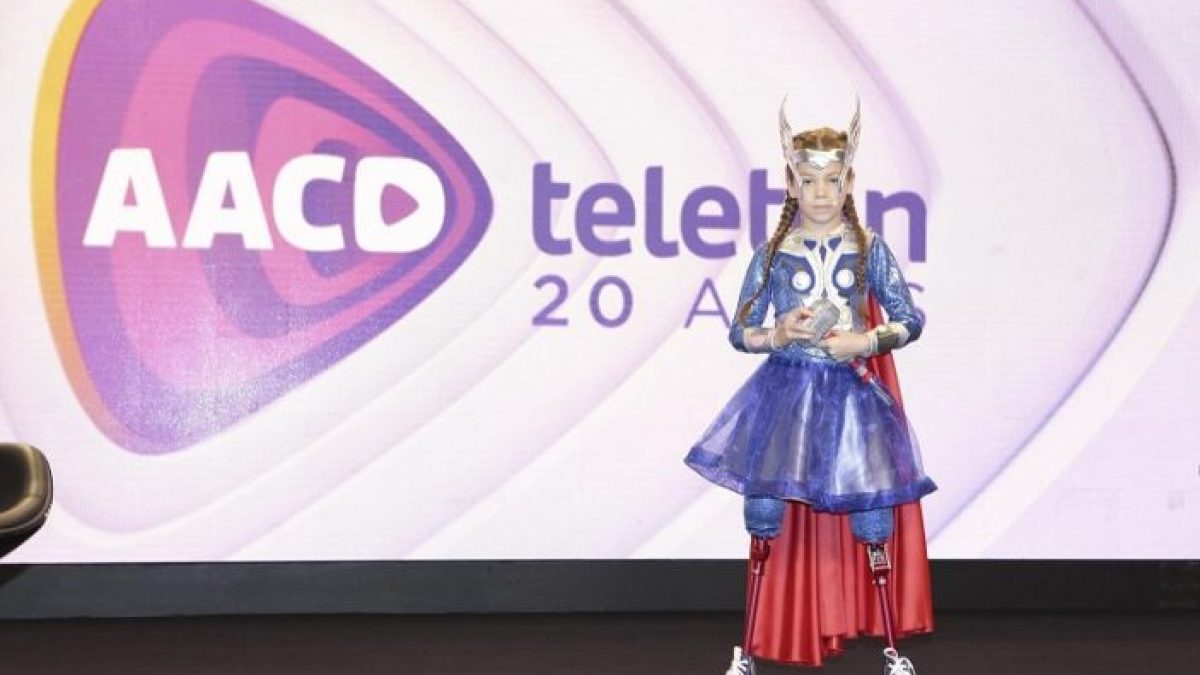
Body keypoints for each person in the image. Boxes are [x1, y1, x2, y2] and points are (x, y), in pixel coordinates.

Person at [684, 99, 935, 674]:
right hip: (786, 396)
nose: (821, 192)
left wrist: (865, 341)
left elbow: (909, 318)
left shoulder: (869, 248)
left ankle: (892, 650)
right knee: (765, 512)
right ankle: (749, 651)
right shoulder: (773, 254)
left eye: (832, 180)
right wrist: (777, 333)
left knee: (871, 516)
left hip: (852, 397)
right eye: (809, 180)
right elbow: (740, 331)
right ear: (792, 183)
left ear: (848, 181)